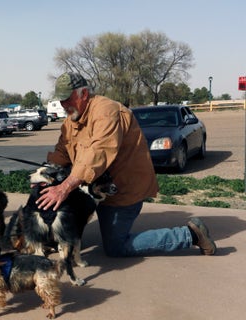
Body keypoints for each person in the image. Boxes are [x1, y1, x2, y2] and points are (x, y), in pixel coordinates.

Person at [35, 72, 217, 257]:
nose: (64, 105)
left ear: (83, 94)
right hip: (90, 188)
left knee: (116, 247)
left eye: (67, 99)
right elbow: (61, 152)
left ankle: (190, 235)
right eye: (61, 100)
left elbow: (98, 153)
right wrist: (46, 174)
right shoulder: (71, 119)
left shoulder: (106, 112)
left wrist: (65, 187)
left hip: (121, 190)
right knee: (64, 229)